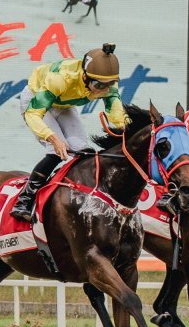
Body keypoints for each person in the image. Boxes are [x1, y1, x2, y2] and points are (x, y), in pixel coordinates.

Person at [9, 43, 126, 222]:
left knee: (83, 151)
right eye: (98, 84)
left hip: (64, 104)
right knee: (56, 151)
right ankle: (24, 200)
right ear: (85, 76)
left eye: (109, 84)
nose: (103, 90)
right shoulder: (61, 79)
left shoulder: (107, 86)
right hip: (36, 101)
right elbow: (34, 114)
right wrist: (53, 138)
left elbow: (117, 115)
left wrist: (127, 131)